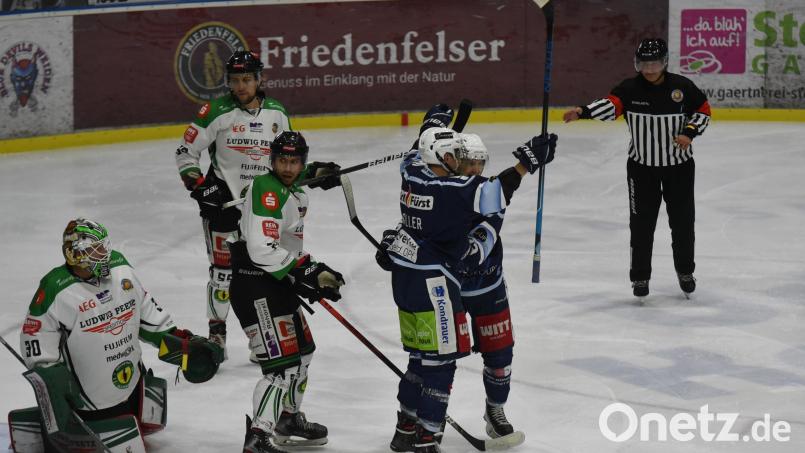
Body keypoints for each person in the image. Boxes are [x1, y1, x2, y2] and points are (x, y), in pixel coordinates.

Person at [378, 105, 557, 453]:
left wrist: (433, 124)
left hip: (452, 282)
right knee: (437, 363)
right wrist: (527, 162)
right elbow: (491, 195)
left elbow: (420, 153)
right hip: (441, 286)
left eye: (477, 162)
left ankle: (417, 423)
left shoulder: (413, 171)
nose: (471, 167)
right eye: (461, 158)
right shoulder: (457, 191)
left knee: (447, 356)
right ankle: (426, 435)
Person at [174, 50, 338, 360]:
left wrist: (312, 173)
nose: (240, 86)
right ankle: (217, 335)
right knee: (223, 273)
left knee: (262, 272)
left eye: (247, 79)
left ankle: (262, 339)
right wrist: (201, 187)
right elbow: (185, 152)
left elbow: (288, 162)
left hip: (263, 208)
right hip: (223, 207)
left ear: (259, 79)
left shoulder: (276, 113)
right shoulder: (215, 111)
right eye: (235, 80)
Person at [9, 218, 224, 452]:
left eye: (104, 246)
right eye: (95, 250)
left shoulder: (120, 267)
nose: (105, 254)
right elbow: (35, 342)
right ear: (74, 254)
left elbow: (144, 311)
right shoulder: (54, 288)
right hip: (91, 407)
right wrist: (53, 384)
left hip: (133, 390)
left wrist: (181, 342)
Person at [563, 38, 711, 298]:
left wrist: (689, 132)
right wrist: (583, 111)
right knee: (641, 224)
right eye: (644, 63)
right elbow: (611, 105)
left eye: (654, 63)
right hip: (642, 169)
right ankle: (640, 277)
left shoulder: (682, 87)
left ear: (664, 62)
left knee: (683, 222)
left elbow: (703, 110)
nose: (649, 69)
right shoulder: (630, 88)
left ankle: (685, 271)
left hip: (679, 168)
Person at [227, 131, 345, 453]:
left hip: (274, 282)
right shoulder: (267, 189)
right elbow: (262, 250)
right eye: (282, 160)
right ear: (272, 161)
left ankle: (287, 419)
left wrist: (314, 270)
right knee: (280, 368)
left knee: (303, 353)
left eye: (295, 162)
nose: (288, 167)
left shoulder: (290, 190)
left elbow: (287, 248)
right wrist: (302, 271)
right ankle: (258, 437)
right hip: (256, 286)